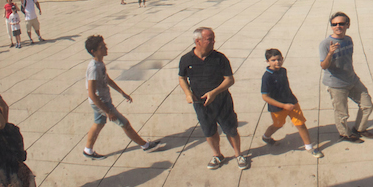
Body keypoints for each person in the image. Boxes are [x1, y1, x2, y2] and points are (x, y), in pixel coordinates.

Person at [82, 35, 164, 159]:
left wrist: (122, 92)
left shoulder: (99, 63)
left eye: (105, 45)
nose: (106, 48)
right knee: (125, 124)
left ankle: (88, 150)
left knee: (98, 123)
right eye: (102, 47)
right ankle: (145, 145)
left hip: (103, 101)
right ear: (93, 51)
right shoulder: (93, 68)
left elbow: (107, 79)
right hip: (101, 103)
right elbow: (92, 94)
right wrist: (107, 111)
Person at [178, 27, 246, 169]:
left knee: (230, 129)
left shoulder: (220, 58)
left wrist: (214, 92)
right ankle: (217, 155)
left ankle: (238, 154)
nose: (214, 41)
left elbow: (229, 80)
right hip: (201, 104)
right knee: (209, 131)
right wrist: (187, 93)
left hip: (222, 101)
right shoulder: (186, 59)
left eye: (213, 38)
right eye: (210, 39)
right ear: (198, 41)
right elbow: (182, 78)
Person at [319, 12, 373, 143]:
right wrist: (330, 54)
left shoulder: (348, 40)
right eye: (334, 24)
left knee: (367, 105)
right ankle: (345, 134)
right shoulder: (325, 44)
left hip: (352, 80)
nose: (338, 26)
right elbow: (324, 66)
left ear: (347, 25)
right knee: (342, 113)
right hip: (336, 84)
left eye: (341, 23)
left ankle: (360, 129)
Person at [260, 48, 321, 157]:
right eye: (273, 60)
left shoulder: (283, 70)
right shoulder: (267, 77)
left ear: (282, 59)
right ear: (267, 61)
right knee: (278, 124)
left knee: (300, 124)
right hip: (277, 107)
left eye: (279, 59)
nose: (277, 62)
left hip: (292, 102)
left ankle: (309, 147)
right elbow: (265, 97)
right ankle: (266, 136)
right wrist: (283, 105)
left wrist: (289, 102)